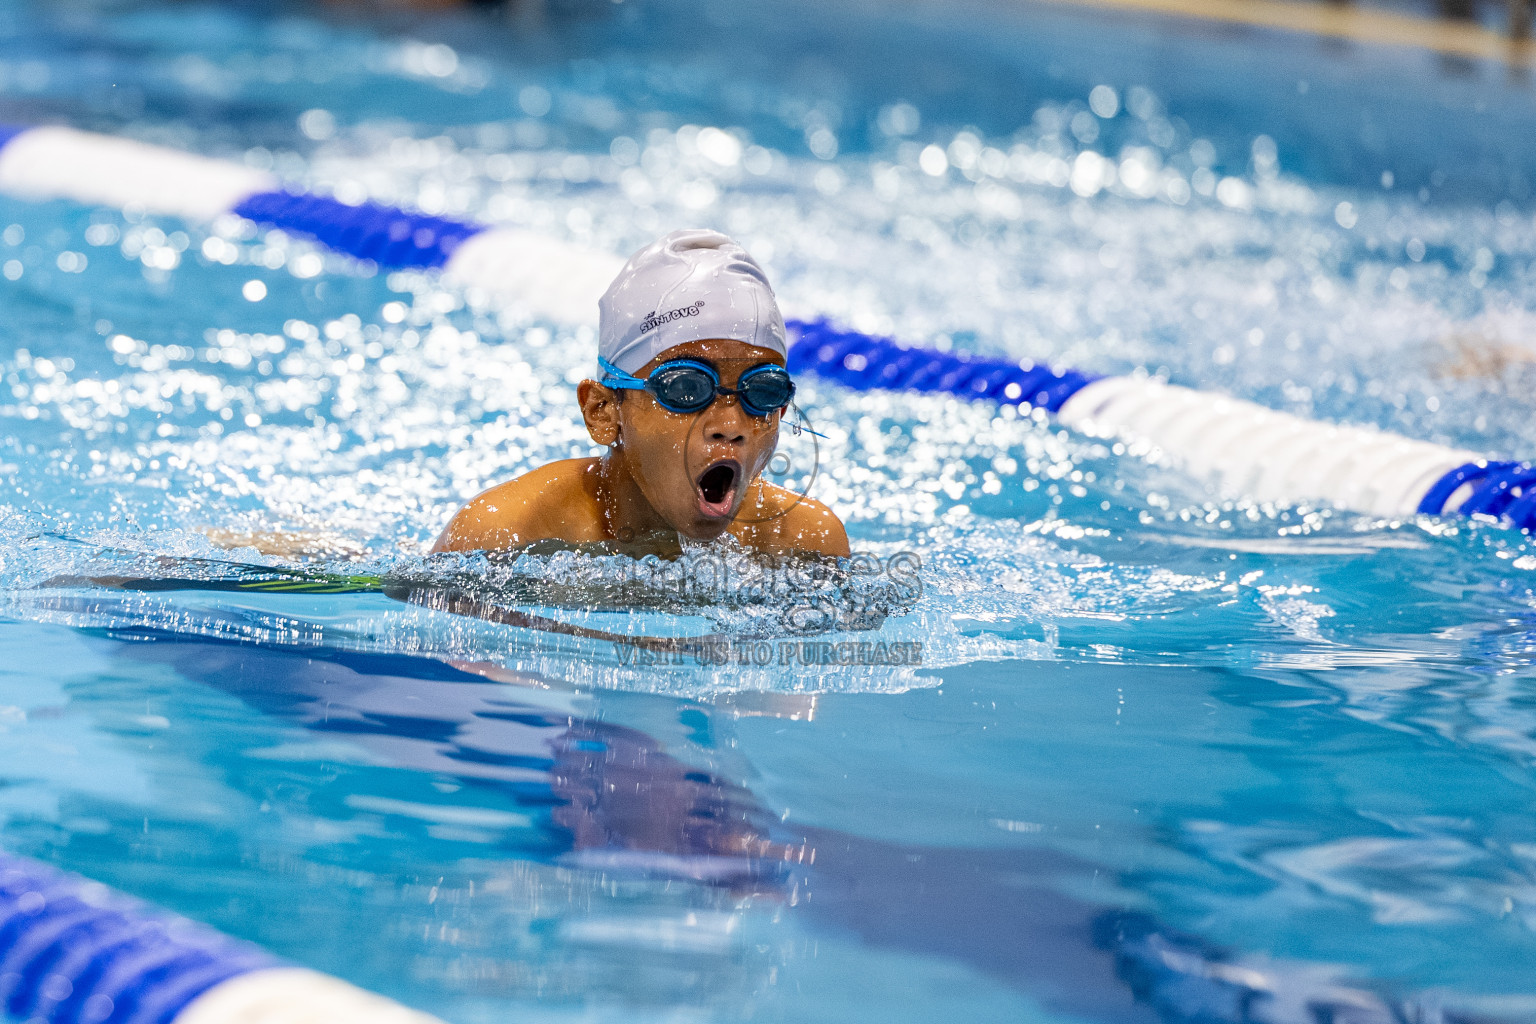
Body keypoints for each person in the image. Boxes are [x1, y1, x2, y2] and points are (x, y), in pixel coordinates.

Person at [433, 229, 849, 560]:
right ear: (603, 411)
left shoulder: (803, 543)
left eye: (762, 390)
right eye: (687, 388)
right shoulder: (505, 535)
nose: (731, 426)